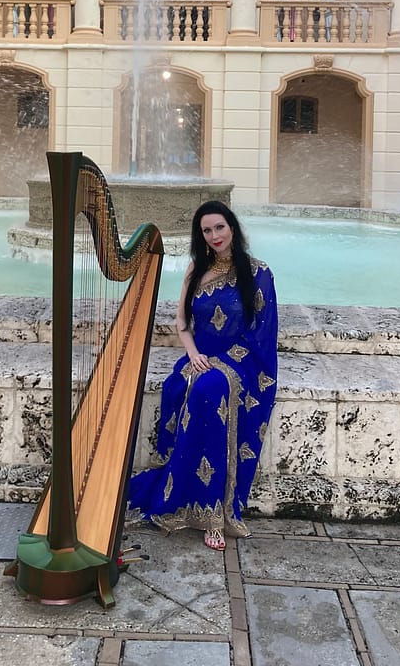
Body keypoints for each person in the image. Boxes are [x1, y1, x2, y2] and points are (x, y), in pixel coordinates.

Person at [127, 201, 278, 552]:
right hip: (199, 357)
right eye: (207, 231)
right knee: (181, 385)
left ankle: (215, 513)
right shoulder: (196, 269)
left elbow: (261, 332)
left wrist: (223, 363)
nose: (214, 236)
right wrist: (193, 354)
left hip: (245, 362)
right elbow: (182, 324)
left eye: (219, 228)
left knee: (207, 392)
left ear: (232, 228)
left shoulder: (259, 273)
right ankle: (180, 494)